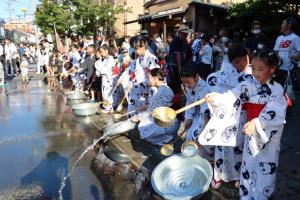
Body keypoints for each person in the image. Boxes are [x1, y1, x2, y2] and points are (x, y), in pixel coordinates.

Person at [201, 49, 287, 200]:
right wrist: (217, 98)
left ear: (272, 69)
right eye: (253, 68)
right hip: (251, 131)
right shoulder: (249, 84)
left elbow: (276, 111)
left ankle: (263, 194)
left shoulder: (277, 89)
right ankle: (247, 194)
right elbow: (234, 95)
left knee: (265, 165)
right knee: (248, 162)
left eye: (260, 69)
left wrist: (259, 122)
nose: (255, 72)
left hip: (267, 134)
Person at [207, 43, 252, 189]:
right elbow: (216, 91)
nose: (242, 64)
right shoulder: (221, 76)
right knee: (222, 146)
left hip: (244, 116)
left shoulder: (253, 73)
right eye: (237, 61)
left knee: (240, 146)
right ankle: (219, 174)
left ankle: (239, 175)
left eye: (244, 59)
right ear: (230, 61)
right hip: (225, 115)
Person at [131, 68, 180, 146]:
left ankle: (167, 139)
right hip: (168, 119)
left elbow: (151, 111)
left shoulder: (162, 91)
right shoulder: (162, 89)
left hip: (169, 122)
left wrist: (137, 118)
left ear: (155, 78)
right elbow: (153, 105)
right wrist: (144, 107)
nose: (148, 80)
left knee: (143, 126)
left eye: (149, 77)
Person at [127, 38, 160, 116]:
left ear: (143, 48)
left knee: (149, 108)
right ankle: (133, 116)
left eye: (137, 49)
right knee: (134, 100)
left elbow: (155, 75)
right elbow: (133, 71)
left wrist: (148, 83)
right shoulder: (138, 59)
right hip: (140, 86)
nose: (136, 51)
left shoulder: (152, 58)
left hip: (150, 86)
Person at [273, 17, 300, 90]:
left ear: (289, 25)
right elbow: (275, 51)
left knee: (291, 91)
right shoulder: (279, 38)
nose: (281, 25)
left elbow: (299, 51)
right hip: (280, 69)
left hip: (291, 70)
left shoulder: (295, 38)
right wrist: (277, 57)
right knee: (279, 89)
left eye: (283, 23)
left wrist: (296, 56)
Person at [95, 45, 115, 113]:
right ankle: (108, 107)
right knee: (104, 94)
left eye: (102, 52)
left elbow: (109, 69)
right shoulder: (102, 60)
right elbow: (99, 71)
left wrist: (101, 70)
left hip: (108, 78)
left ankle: (108, 107)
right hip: (103, 78)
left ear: (106, 51)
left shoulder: (110, 58)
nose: (101, 53)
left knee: (108, 94)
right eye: (100, 52)